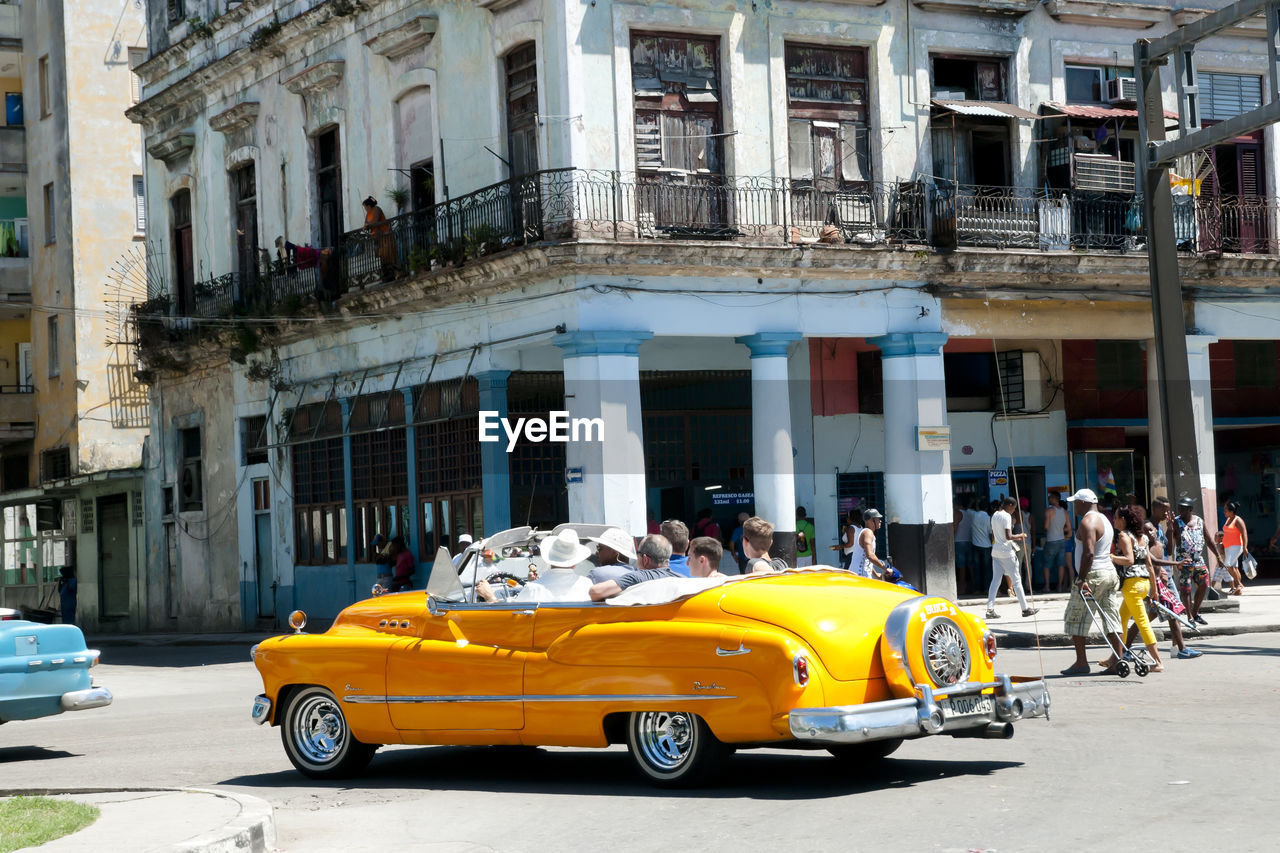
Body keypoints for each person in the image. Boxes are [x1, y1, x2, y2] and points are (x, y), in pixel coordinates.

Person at [1060, 489, 1124, 676]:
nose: (1074, 506)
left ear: (1083, 502)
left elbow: (1089, 553)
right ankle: (1117, 660)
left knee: (1076, 618)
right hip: (1109, 573)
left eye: (1075, 503)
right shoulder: (1105, 520)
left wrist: (1081, 578)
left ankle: (1081, 662)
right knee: (1111, 617)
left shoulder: (1087, 522)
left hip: (1092, 574)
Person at [1105, 507, 1163, 673]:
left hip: (1132, 586)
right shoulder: (1142, 537)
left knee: (1142, 623)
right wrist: (1154, 589)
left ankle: (1158, 662)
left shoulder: (1124, 535)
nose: (1114, 521)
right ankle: (1115, 657)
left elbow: (1129, 560)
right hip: (1143, 584)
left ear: (1123, 519)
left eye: (1116, 518)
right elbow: (1150, 565)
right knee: (1121, 619)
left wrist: (1111, 557)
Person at [1133, 519, 1201, 659]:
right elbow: (1155, 562)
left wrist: (1170, 530)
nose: (1149, 533)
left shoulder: (1159, 544)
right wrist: (1177, 563)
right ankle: (1181, 649)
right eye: (1145, 531)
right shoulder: (1144, 546)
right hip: (1151, 586)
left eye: (1151, 530)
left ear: (1156, 530)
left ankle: (1179, 648)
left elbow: (1167, 553)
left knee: (1167, 614)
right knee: (1160, 615)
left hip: (1161, 584)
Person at [477, 528, 592, 603]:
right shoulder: (587, 586)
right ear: (575, 562)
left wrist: (490, 597)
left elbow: (509, 619)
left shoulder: (534, 588)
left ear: (550, 560)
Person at [1170, 496, 1224, 626]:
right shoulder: (1176, 522)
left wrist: (1218, 556)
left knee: (1204, 583)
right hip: (1184, 561)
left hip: (1198, 559)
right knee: (1186, 589)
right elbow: (1169, 540)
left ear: (1190, 509)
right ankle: (1189, 616)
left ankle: (1195, 612)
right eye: (1179, 508)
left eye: (1184, 509)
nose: (1181, 511)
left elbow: (1209, 540)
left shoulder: (1199, 521)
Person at [987, 497, 1037, 619]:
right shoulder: (1007, 517)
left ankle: (990, 610)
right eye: (1014, 508)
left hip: (996, 551)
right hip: (1006, 551)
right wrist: (1020, 535)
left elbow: (995, 534)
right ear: (1009, 505)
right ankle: (1025, 609)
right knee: (1017, 580)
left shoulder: (994, 515)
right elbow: (1008, 536)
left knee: (995, 581)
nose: (1014, 510)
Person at [589, 534, 680, 601]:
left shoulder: (638, 576)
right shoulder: (681, 578)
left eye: (638, 553)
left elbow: (595, 591)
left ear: (645, 560)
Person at [361, 196, 396, 281]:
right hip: (376, 237)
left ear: (369, 206)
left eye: (365, 207)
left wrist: (368, 225)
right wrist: (366, 226)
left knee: (387, 255)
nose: (365, 209)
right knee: (381, 256)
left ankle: (391, 275)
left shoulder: (377, 209)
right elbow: (366, 223)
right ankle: (385, 276)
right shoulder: (368, 214)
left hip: (384, 236)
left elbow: (375, 221)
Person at [1043, 491, 1072, 593]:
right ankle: (1060, 586)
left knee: (1047, 565)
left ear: (1055, 499)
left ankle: (1047, 586)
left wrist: (1052, 528)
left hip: (1051, 540)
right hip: (1061, 541)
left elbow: (1046, 527)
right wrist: (1060, 529)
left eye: (1050, 498)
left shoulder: (1049, 511)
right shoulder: (1064, 511)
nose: (1049, 499)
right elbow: (1068, 527)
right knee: (1061, 564)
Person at [1218, 500, 1247, 596]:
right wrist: (1222, 544)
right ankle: (1239, 588)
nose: (1224, 512)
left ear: (1231, 511)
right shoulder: (1228, 519)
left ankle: (1238, 584)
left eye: (1226, 510)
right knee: (1234, 567)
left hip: (1237, 546)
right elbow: (1226, 533)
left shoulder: (1237, 520)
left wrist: (1245, 547)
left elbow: (1244, 533)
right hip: (1228, 546)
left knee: (1228, 565)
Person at [969, 502, 993, 596]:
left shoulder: (973, 515)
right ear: (987, 508)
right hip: (986, 546)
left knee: (977, 568)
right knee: (987, 569)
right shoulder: (988, 518)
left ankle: (976, 589)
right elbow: (990, 533)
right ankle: (987, 589)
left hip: (975, 545)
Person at [855, 509, 887, 579]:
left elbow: (866, 560)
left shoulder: (867, 533)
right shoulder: (867, 532)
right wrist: (885, 569)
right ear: (872, 520)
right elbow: (870, 555)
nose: (880, 521)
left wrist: (876, 574)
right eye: (878, 519)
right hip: (860, 575)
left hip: (861, 575)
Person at [952, 499, 972, 590]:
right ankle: (972, 585)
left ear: (956, 505)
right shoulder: (969, 513)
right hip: (968, 541)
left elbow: (955, 529)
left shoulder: (957, 513)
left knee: (961, 566)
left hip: (959, 541)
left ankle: (962, 587)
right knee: (970, 565)